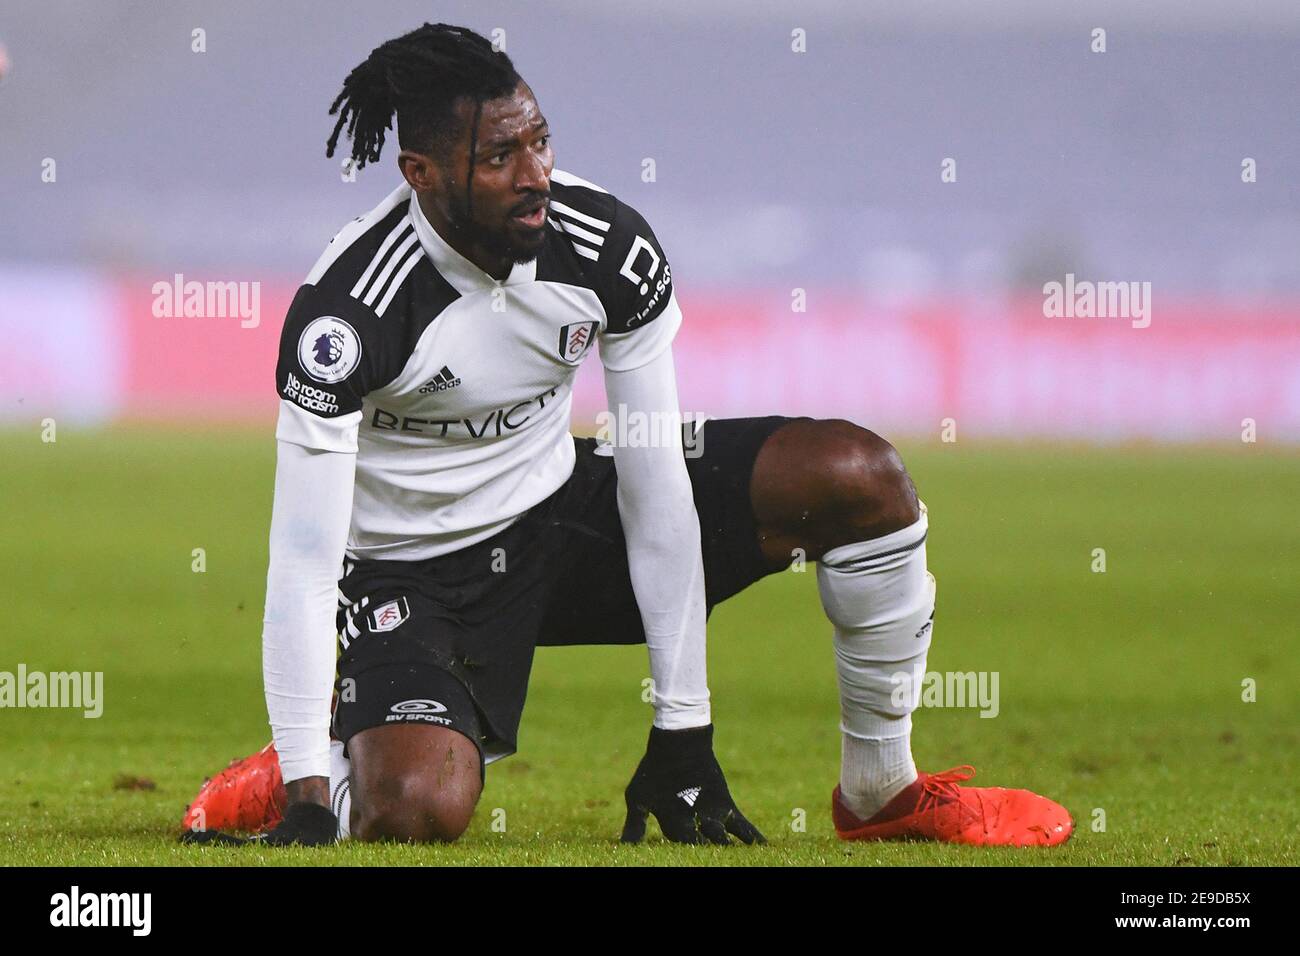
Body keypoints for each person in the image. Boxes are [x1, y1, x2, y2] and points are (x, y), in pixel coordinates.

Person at [182, 22, 1072, 849]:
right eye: (499, 155)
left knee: (855, 473)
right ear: (419, 172)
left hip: (562, 511)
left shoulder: (606, 248)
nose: (534, 173)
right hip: (416, 575)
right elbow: (303, 559)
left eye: (539, 139)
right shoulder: (346, 314)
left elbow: (652, 486)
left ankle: (882, 791)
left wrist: (683, 737)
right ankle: (322, 769)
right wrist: (307, 797)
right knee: (417, 811)